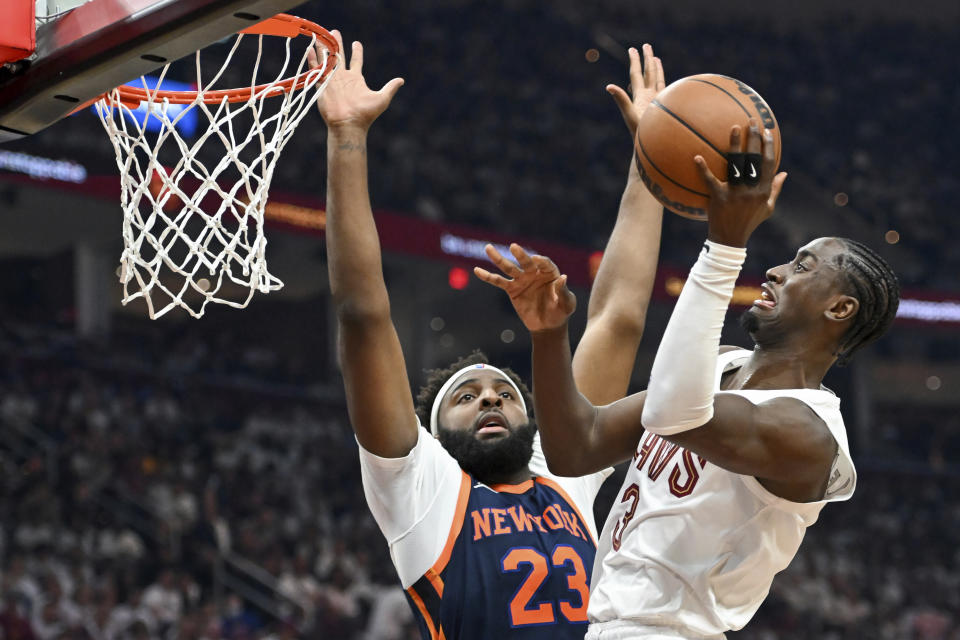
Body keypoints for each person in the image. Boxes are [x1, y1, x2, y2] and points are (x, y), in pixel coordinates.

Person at [477, 119, 901, 639]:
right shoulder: (721, 364)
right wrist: (548, 336)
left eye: (803, 266)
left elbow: (676, 412)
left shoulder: (809, 435)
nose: (776, 271)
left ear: (840, 308)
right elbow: (577, 447)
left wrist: (724, 247)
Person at [313, 32, 666, 639]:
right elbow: (363, 314)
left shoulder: (562, 470)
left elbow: (619, 317)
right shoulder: (420, 487)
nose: (491, 400)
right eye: (467, 397)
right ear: (433, 434)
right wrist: (346, 137)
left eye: (504, 394)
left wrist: (651, 154)